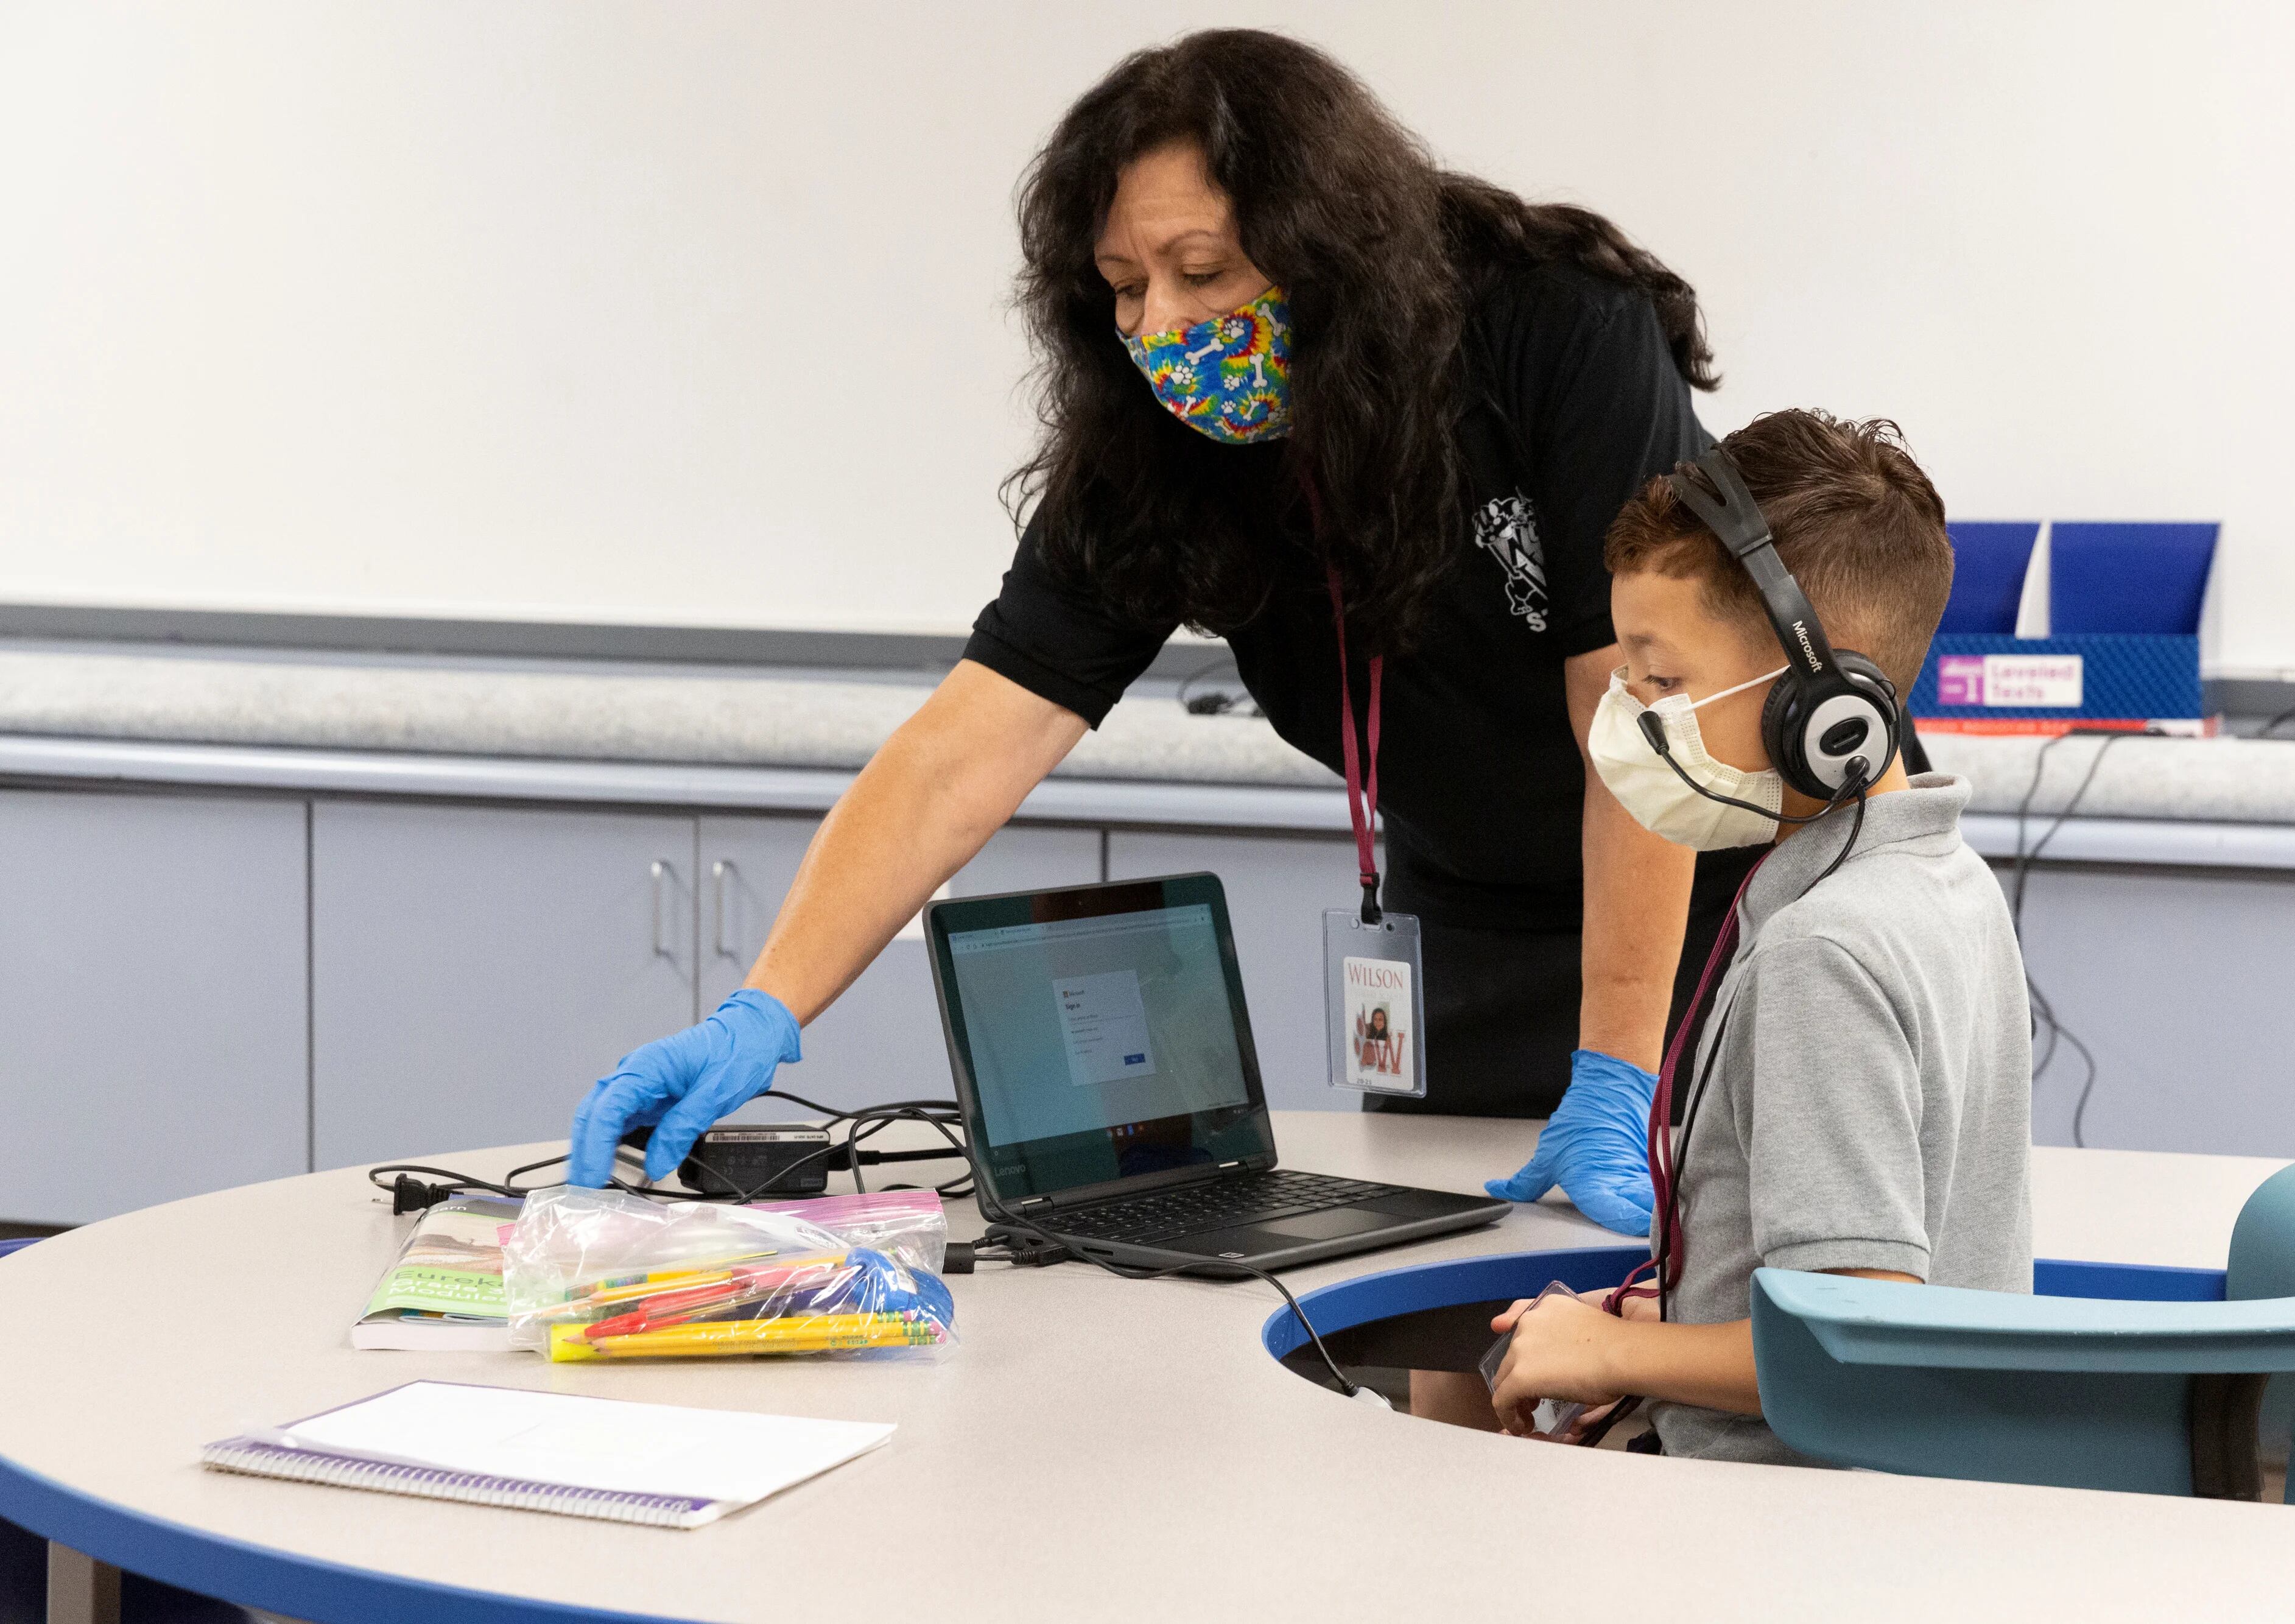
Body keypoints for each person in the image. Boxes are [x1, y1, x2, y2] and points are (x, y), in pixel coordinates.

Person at [566, 29, 1755, 1232]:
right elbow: (962, 749)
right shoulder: (1152, 461)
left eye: (1202, 269)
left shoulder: (1555, 333)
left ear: (1324, 249)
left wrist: (1616, 1067)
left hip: (1709, 882)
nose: (1165, 327)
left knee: (1682, 1313)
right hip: (1464, 910)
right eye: (1125, 288)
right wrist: (763, 1006)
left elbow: (1639, 723)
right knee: (1440, 1318)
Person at [1482, 410, 2033, 1462]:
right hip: (1913, 1498)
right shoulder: (1944, 882)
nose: (1627, 716)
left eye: (1665, 680)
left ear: (1827, 709)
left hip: (1785, 1529)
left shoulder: (1822, 951)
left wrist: (1612, 1359)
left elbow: (1856, 1337)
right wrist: (1674, 1326)